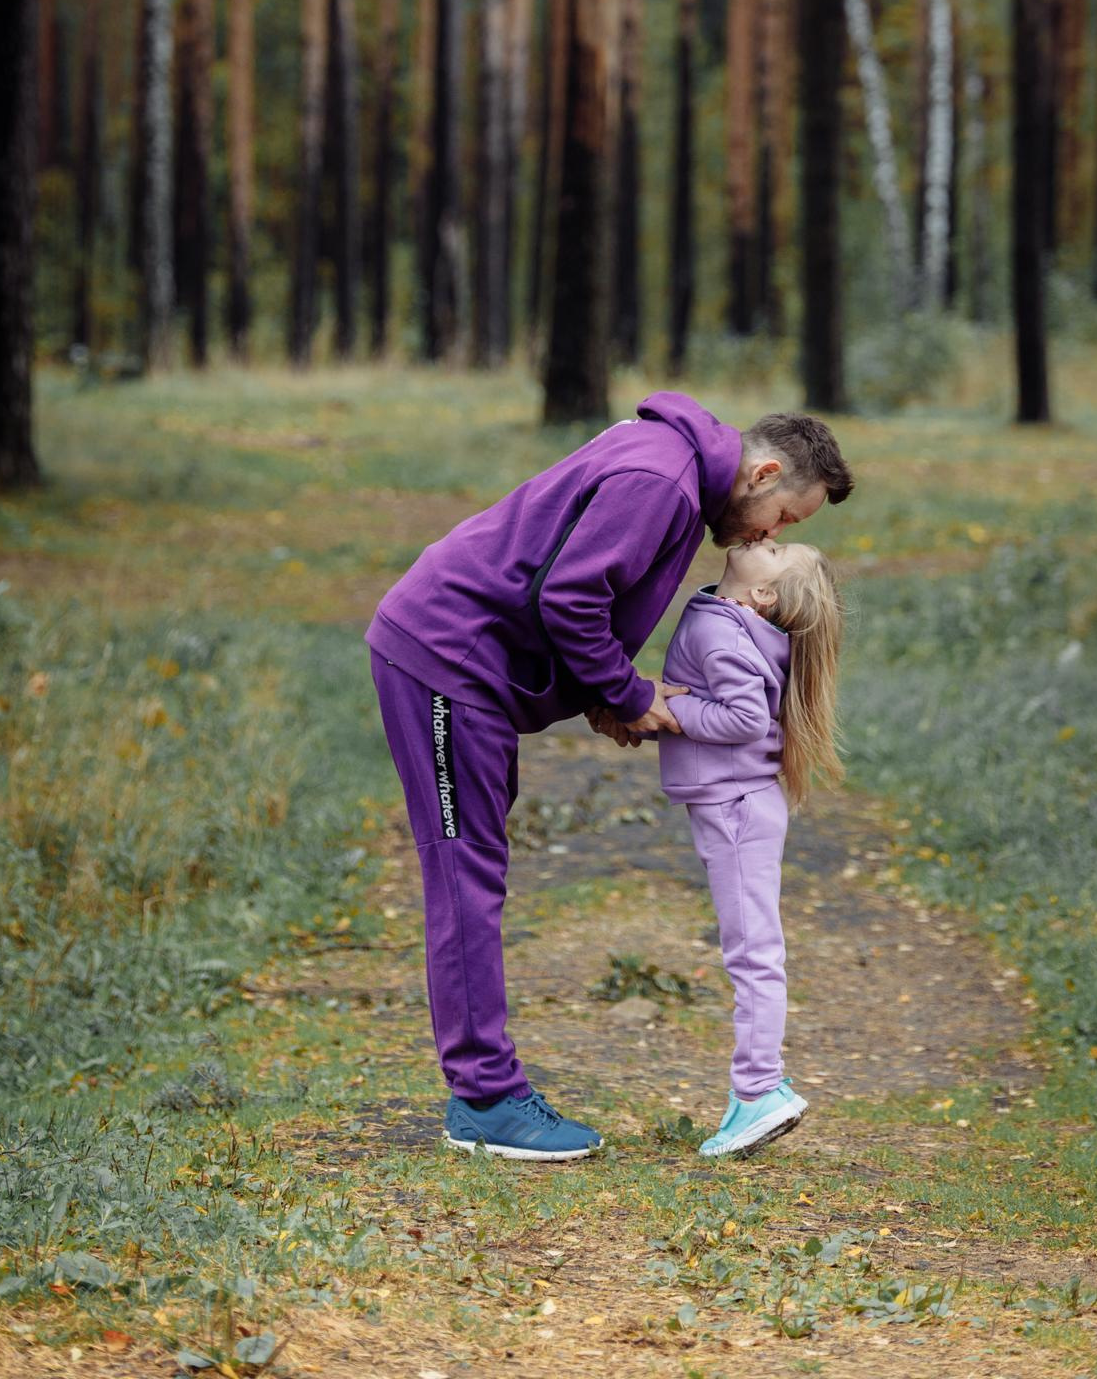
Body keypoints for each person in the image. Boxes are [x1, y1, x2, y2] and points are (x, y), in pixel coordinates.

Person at [364, 394, 852, 1161]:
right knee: (464, 874)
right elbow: (570, 597)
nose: (770, 534)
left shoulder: (672, 471)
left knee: (476, 868)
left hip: (475, 673)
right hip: (446, 662)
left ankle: (484, 1091)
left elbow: (566, 580)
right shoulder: (662, 482)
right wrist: (626, 695)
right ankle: (485, 1099)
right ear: (762, 474)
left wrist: (602, 692)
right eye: (785, 519)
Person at [657, 535, 844, 1159]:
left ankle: (759, 1089)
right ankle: (761, 1085)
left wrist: (674, 711)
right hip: (740, 802)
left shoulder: (727, 633)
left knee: (752, 951)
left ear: (763, 595)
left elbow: (742, 720)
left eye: (776, 548)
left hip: (736, 807)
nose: (765, 536)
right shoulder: (728, 619)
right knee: (754, 946)